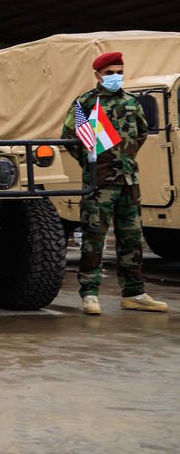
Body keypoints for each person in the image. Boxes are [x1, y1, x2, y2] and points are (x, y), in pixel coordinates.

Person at [61, 51, 167, 316]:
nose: (115, 77)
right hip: (100, 182)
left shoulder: (133, 102)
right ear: (98, 75)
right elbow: (71, 138)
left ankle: (134, 293)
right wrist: (93, 162)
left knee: (131, 238)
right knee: (94, 239)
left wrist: (123, 159)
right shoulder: (86, 103)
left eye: (119, 71)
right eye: (110, 73)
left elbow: (141, 133)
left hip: (129, 181)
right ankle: (89, 293)